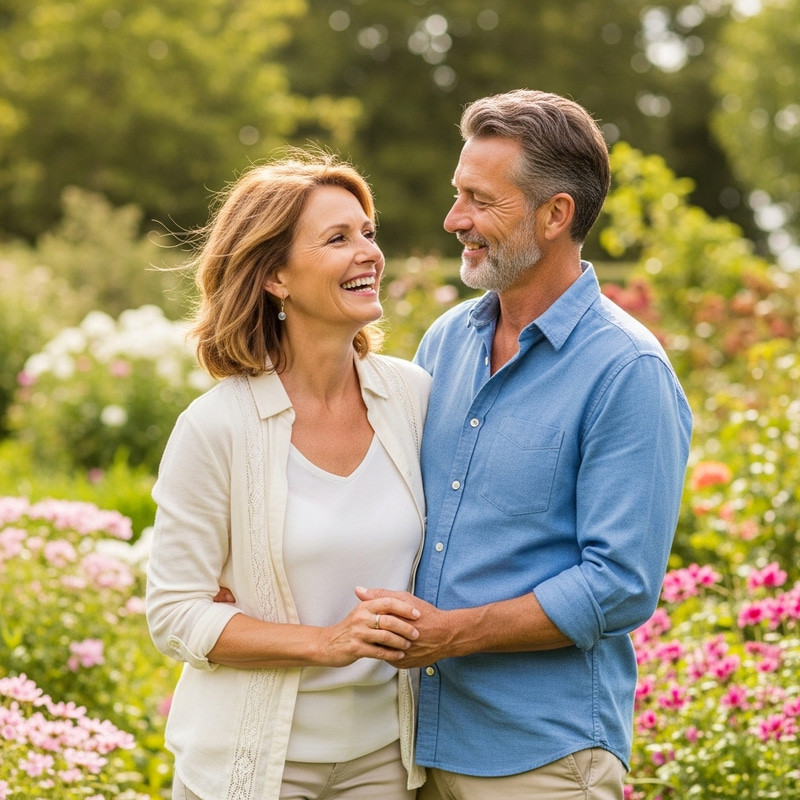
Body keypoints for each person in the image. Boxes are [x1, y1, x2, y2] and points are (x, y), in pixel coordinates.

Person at [357, 89, 693, 799]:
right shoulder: (446, 341)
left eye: (481, 200)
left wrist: (452, 634)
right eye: (458, 195)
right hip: (414, 743)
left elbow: (619, 585)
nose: (456, 221)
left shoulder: (626, 371)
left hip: (543, 760)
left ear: (555, 213)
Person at [145, 151, 430, 800]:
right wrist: (325, 642)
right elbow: (173, 614)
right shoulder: (217, 427)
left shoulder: (413, 399)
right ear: (275, 275)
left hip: (384, 761)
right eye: (338, 238)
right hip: (253, 766)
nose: (368, 252)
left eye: (369, 232)